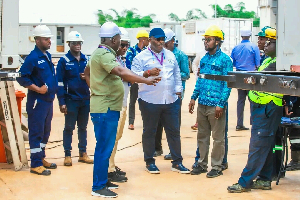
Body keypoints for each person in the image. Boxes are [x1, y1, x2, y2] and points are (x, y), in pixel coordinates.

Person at [84, 22, 160, 198]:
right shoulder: (104, 54)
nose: (121, 43)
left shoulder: (100, 53)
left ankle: (103, 180)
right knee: (104, 146)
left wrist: (95, 89)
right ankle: (98, 187)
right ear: (113, 39)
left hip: (107, 106)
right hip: (105, 108)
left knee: (107, 145)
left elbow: (87, 73)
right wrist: (145, 80)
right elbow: (119, 70)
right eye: (119, 39)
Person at [227, 28, 283, 193]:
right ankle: (265, 179)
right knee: (265, 143)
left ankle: (245, 182)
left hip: (267, 107)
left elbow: (259, 81)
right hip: (262, 107)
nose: (264, 45)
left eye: (269, 42)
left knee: (258, 145)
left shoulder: (276, 62)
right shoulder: (267, 60)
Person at [132, 27, 190, 174]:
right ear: (149, 39)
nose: (161, 42)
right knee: (150, 131)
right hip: (149, 101)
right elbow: (132, 75)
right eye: (157, 39)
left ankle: (177, 162)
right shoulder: (141, 57)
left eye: (163, 39)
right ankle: (150, 161)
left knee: (174, 132)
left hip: (170, 100)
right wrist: (146, 73)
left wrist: (178, 90)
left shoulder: (170, 55)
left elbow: (177, 73)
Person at [189, 25, 233, 178]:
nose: (206, 42)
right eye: (205, 40)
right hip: (203, 103)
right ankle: (201, 164)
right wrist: (194, 97)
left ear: (217, 41)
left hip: (216, 106)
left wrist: (221, 103)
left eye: (209, 40)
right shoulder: (204, 59)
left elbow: (228, 84)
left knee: (218, 138)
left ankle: (216, 166)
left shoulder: (226, 60)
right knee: (202, 135)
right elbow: (200, 81)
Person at [17, 25, 58, 176]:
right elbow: (22, 77)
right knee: (36, 132)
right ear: (37, 40)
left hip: (48, 101)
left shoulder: (46, 55)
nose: (49, 42)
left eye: (49, 39)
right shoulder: (32, 58)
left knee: (45, 132)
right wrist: (37, 89)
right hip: (37, 102)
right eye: (46, 39)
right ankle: (35, 164)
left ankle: (40, 158)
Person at [56, 31, 93, 167]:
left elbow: (94, 76)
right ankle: (67, 155)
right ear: (69, 44)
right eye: (74, 43)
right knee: (69, 128)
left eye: (79, 43)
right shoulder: (64, 61)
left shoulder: (86, 59)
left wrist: (87, 77)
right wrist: (61, 101)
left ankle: (83, 153)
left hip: (85, 99)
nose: (77, 45)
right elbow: (59, 82)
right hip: (70, 100)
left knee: (83, 128)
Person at [154, 28, 190, 160]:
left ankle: (173, 151)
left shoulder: (181, 56)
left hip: (175, 95)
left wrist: (170, 74)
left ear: (172, 42)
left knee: (173, 125)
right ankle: (157, 148)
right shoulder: (159, 54)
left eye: (166, 42)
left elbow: (186, 74)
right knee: (158, 123)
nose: (163, 44)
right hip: (160, 94)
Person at [107, 27, 130, 183]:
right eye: (122, 45)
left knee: (117, 137)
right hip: (114, 105)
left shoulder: (122, 59)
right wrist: (145, 77)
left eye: (127, 45)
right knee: (111, 138)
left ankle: (111, 165)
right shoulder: (110, 60)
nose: (124, 48)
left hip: (122, 103)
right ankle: (108, 170)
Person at [231, 26, 260, 131]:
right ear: (250, 35)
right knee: (252, 99)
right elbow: (258, 63)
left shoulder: (236, 48)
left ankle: (239, 124)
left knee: (240, 100)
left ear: (241, 36)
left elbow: (233, 62)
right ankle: (254, 123)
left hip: (239, 75)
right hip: (251, 75)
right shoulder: (254, 47)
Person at [126, 30, 149, 130]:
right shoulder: (131, 51)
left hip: (144, 80)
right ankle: (131, 122)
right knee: (132, 101)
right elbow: (128, 65)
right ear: (143, 40)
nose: (149, 41)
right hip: (135, 80)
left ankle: (146, 122)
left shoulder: (147, 52)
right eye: (148, 39)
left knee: (145, 101)